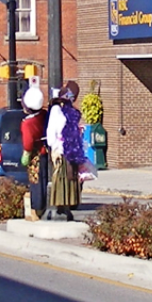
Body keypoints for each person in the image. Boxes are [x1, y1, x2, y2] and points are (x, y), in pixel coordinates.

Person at [45, 81, 91, 221]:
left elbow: (74, 131)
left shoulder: (73, 113)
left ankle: (67, 207)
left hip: (72, 151)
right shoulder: (56, 110)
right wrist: (54, 148)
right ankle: (59, 208)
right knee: (60, 179)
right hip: (61, 150)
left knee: (71, 178)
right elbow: (51, 131)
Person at [20, 82, 49, 218]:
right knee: (43, 179)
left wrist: (26, 154)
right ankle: (43, 206)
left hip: (34, 155)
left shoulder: (27, 123)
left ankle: (36, 209)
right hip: (45, 151)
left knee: (35, 182)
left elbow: (28, 142)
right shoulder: (43, 115)